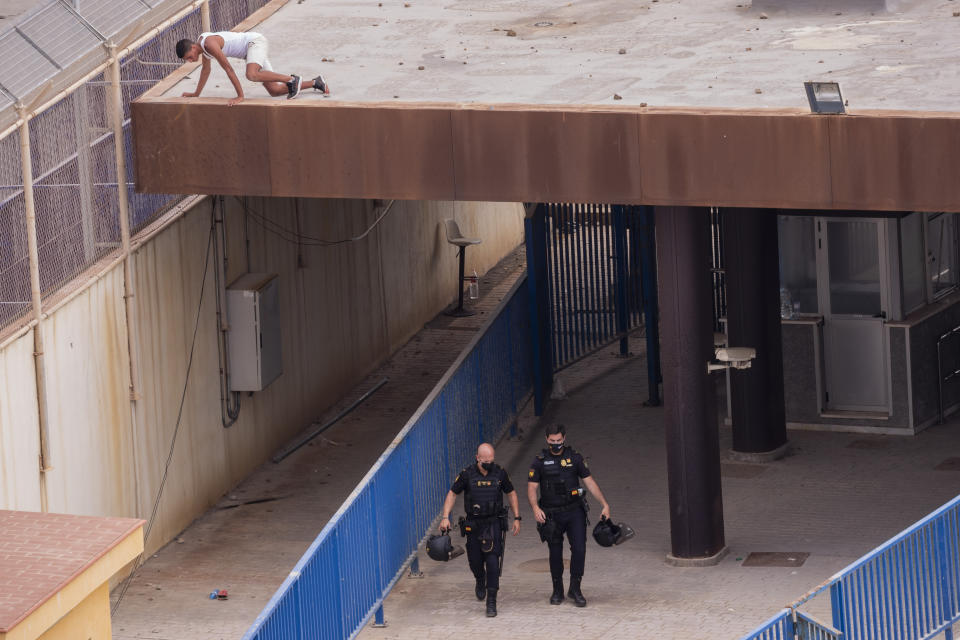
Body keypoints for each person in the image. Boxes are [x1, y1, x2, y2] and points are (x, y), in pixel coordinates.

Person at [527, 423, 610, 608]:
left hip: (574, 512)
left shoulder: (575, 458)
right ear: (546, 439)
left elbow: (590, 483)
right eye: (552, 441)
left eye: (558, 440)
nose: (555, 444)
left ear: (564, 438)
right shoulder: (539, 461)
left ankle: (575, 588)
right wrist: (534, 507)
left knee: (579, 549)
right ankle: (557, 590)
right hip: (551, 514)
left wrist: (604, 504)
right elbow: (532, 487)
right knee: (555, 552)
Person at [439, 443, 521, 617]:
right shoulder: (467, 474)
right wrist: (445, 516)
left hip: (493, 524)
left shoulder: (499, 473)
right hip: (474, 525)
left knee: (492, 562)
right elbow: (452, 493)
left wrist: (517, 517)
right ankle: (479, 579)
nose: (489, 464)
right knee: (475, 561)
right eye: (485, 461)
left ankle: (491, 601)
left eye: (491, 460)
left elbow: (511, 493)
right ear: (478, 458)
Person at [175, 32, 329, 105]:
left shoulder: (208, 44)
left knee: (251, 74)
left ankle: (292, 79)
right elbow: (205, 71)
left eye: (189, 56)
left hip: (254, 43)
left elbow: (228, 69)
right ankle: (316, 82)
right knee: (274, 90)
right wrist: (196, 93)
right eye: (187, 60)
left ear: (193, 47)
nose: (190, 60)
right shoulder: (204, 51)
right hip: (251, 54)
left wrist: (240, 96)